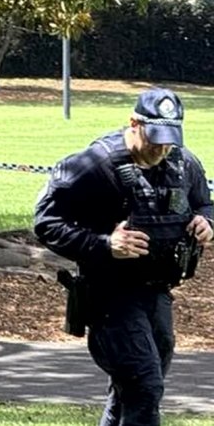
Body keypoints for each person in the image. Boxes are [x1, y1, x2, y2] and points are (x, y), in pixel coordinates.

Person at [34, 87, 213, 426]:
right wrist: (104, 244)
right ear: (134, 123)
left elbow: (205, 202)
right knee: (144, 386)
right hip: (109, 296)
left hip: (157, 292)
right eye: (154, 138)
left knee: (133, 390)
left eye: (170, 139)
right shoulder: (93, 165)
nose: (161, 148)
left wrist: (207, 222)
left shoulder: (183, 162)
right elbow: (46, 224)